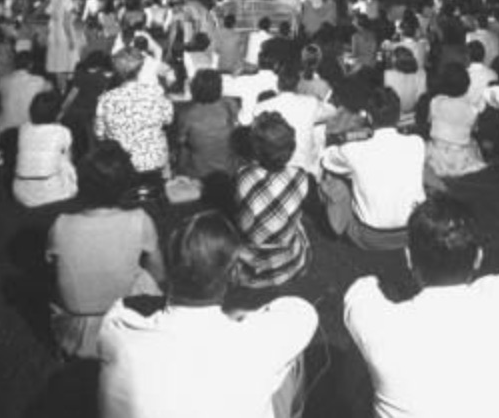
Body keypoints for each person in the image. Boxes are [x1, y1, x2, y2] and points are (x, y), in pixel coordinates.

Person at [98, 211, 318, 418]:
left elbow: (124, 311)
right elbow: (303, 311)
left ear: (168, 266)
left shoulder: (118, 327)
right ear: (234, 273)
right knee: (290, 360)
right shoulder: (254, 344)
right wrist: (240, 315)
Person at [344, 194, 499, 418]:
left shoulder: (382, 326)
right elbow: (495, 285)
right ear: (478, 258)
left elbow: (362, 290)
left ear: (408, 259)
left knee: (360, 350)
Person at [47, 141, 164, 358]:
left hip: (75, 333)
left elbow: (54, 271)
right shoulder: (140, 220)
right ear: (126, 184)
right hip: (128, 324)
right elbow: (159, 273)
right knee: (147, 274)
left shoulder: (61, 224)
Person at [319, 87, 425, 250]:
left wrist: (342, 139)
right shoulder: (417, 143)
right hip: (414, 232)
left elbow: (326, 160)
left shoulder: (352, 150)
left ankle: (335, 227)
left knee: (334, 178)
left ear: (368, 117)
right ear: (398, 116)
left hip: (369, 237)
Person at [232, 111, 310, 289]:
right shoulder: (301, 175)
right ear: (291, 148)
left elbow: (241, 216)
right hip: (287, 254)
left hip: (254, 258)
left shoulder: (244, 176)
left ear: (256, 150)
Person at [94, 48, 174, 184]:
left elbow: (99, 134)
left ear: (117, 71)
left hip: (121, 164)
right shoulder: (156, 93)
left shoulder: (106, 99)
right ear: (140, 68)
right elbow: (168, 120)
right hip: (155, 161)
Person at [12, 89, 78, 208]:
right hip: (51, 193)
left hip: (20, 191)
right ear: (57, 113)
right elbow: (70, 158)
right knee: (64, 159)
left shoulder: (23, 128)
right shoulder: (62, 131)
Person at [174, 68, 240, 180]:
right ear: (219, 87)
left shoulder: (187, 113)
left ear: (195, 88)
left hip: (198, 172)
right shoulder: (230, 104)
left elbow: (181, 142)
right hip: (227, 169)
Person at [425, 63, 486, 179]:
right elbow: (474, 129)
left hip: (436, 154)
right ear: (467, 85)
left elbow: (429, 122)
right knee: (474, 143)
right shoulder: (473, 109)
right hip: (461, 157)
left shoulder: (436, 102)